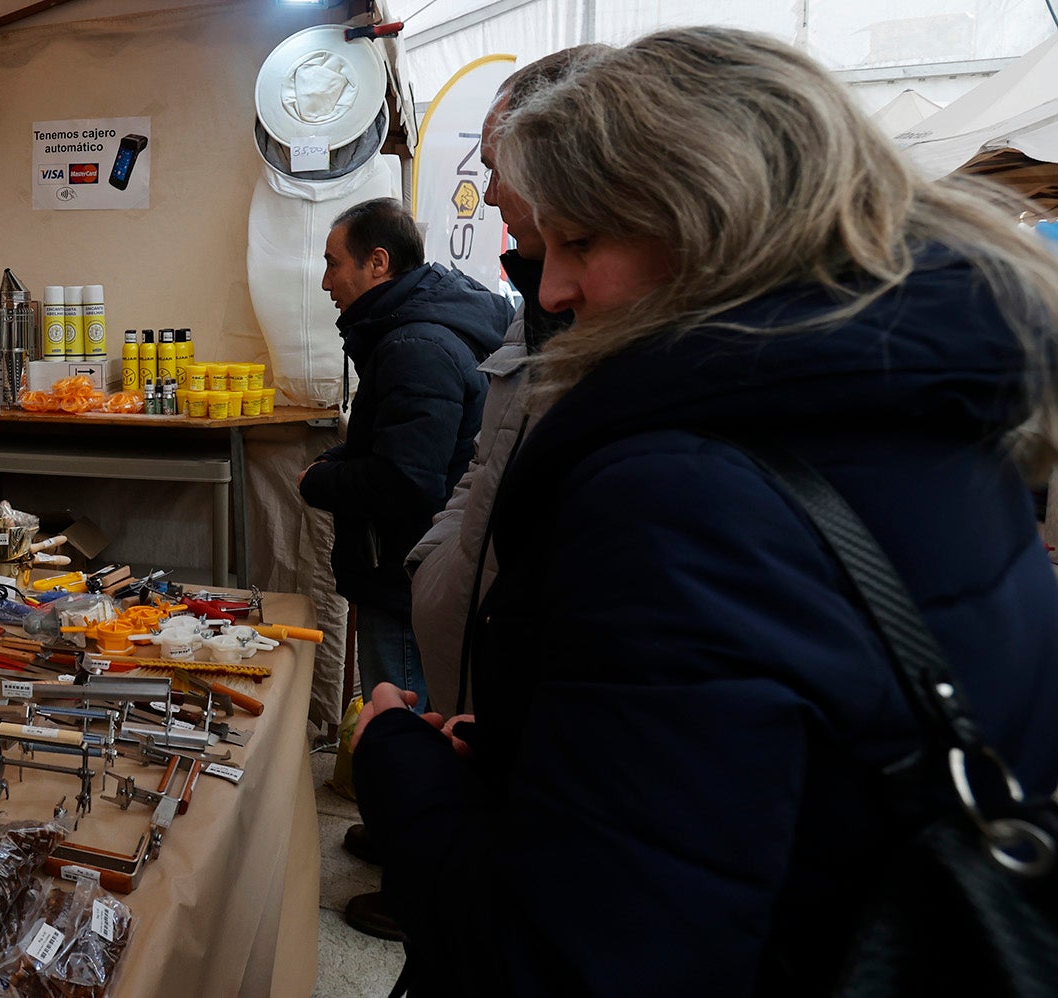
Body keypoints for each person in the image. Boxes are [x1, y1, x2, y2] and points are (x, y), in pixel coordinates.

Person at [351, 27, 1058, 995]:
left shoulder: (679, 497)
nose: (551, 288)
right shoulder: (945, 419)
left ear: (708, 215)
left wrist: (397, 761)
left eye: (581, 241)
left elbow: (565, 963)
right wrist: (548, 755)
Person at [298, 198, 510, 939]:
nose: (326, 279)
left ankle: (412, 884)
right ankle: (394, 835)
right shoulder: (403, 330)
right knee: (397, 707)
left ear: (377, 263)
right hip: (404, 565)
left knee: (407, 715)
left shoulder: (415, 343)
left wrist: (318, 481)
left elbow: (406, 480)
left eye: (334, 261)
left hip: (408, 570)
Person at [406, 46, 600, 717]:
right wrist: (437, 570)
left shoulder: (636, 332)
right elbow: (484, 464)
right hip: (468, 667)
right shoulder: (530, 310)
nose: (487, 196)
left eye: (497, 171)